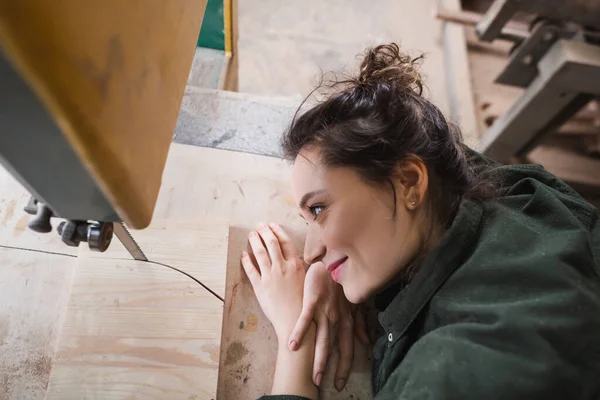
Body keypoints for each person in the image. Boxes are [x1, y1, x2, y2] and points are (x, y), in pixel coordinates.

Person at [240, 43, 600, 400]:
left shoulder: (459, 370)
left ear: (410, 182)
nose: (310, 253)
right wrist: (342, 262)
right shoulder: (488, 190)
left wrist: (294, 339)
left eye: (318, 209)